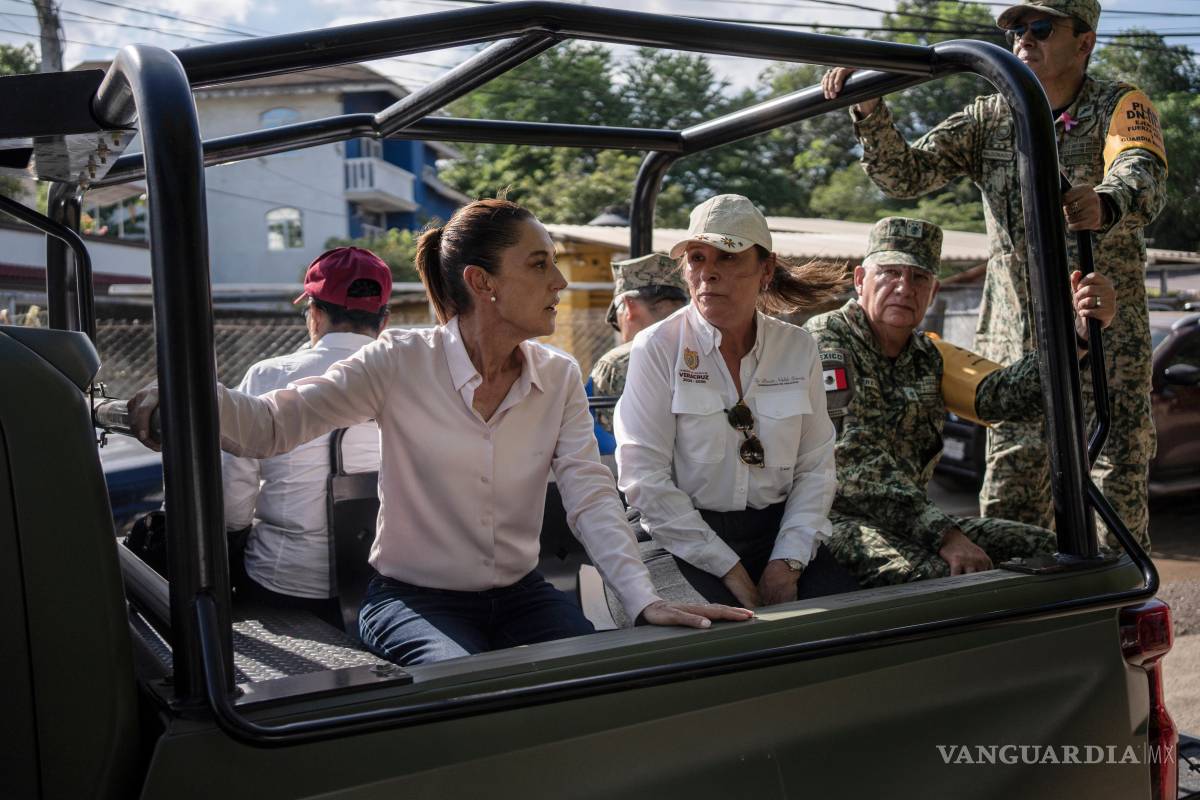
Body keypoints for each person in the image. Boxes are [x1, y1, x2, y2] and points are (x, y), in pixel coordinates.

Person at [131, 198, 751, 667]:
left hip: (522, 595)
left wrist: (642, 599)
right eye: (540, 265)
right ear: (483, 283)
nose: (559, 284)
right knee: (459, 691)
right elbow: (270, 425)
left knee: (593, 682)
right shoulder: (399, 359)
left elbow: (590, 495)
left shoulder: (558, 375)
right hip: (412, 600)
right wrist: (181, 399)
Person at [821, 0, 1167, 549]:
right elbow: (905, 175)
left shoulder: (1118, 105)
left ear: (1084, 42)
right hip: (1019, 351)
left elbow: (1141, 172)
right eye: (1014, 29)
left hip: (1106, 350)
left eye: (1041, 27)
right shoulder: (990, 116)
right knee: (1012, 507)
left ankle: (1113, 601)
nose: (1023, 39)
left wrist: (1106, 200)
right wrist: (868, 107)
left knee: (1114, 508)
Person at [805, 217, 1116, 585]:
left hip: (911, 522)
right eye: (890, 272)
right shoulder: (828, 339)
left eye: (919, 277)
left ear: (933, 291)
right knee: (942, 578)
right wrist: (946, 536)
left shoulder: (926, 354)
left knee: (1055, 548)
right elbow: (851, 458)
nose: (904, 288)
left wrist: (1077, 337)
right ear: (860, 279)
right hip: (833, 521)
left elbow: (1000, 396)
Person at [615, 194, 859, 609]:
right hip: (676, 534)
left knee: (843, 624)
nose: (708, 273)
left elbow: (816, 468)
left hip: (775, 533)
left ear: (766, 269)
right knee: (706, 634)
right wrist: (729, 569)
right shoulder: (658, 346)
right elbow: (645, 479)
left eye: (727, 257)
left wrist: (787, 561)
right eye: (697, 258)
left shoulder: (798, 347)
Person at [222, 247, 391, 629]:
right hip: (384, 586)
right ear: (384, 320)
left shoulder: (267, 376)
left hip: (281, 581)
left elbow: (233, 494)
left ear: (314, 314)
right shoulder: (407, 377)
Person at [591, 253, 689, 435]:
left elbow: (603, 439)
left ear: (629, 307)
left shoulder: (615, 364)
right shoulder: (711, 347)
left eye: (616, 316)